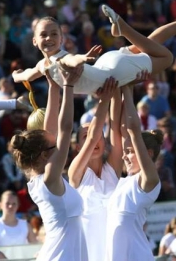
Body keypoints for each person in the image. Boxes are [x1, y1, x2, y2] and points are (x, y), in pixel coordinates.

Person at [12, 5, 176, 95]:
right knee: (147, 43)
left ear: (62, 38)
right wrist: (17, 75)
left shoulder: (59, 60)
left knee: (166, 57)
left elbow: (71, 60)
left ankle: (124, 29)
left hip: (112, 73)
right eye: (44, 35)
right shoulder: (42, 65)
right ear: (34, 41)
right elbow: (28, 75)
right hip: (106, 64)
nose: (49, 38)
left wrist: (84, 58)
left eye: (54, 34)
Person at [10, 63, 88, 260]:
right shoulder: (49, 179)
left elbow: (52, 130)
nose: (62, 148)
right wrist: (68, 87)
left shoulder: (40, 177)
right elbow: (65, 128)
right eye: (56, 146)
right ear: (44, 155)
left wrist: (53, 84)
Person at [67, 75, 122, 261]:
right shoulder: (75, 173)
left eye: (100, 135)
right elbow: (93, 138)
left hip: (117, 252)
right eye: (86, 136)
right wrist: (104, 99)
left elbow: (115, 127)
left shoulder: (112, 168)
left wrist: (118, 88)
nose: (95, 138)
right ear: (77, 147)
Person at [105, 85, 162, 261]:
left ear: (148, 153)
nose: (124, 156)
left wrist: (129, 90)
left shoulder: (149, 180)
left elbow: (133, 130)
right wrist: (119, 89)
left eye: (129, 151)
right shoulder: (126, 180)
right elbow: (124, 128)